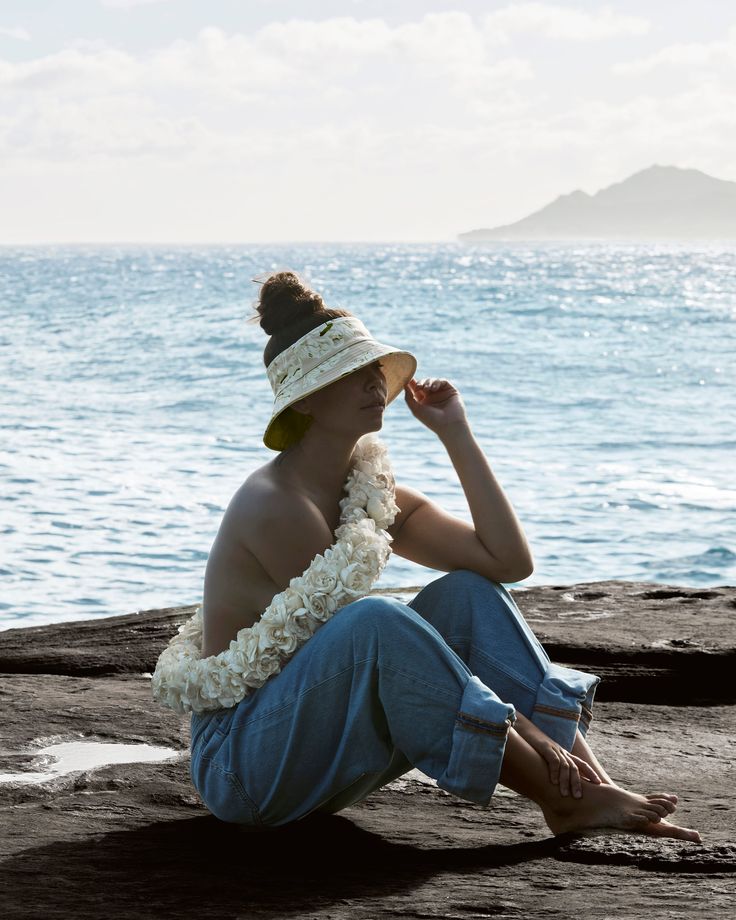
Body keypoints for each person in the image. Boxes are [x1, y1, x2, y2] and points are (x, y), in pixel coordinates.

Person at [188, 270, 700, 842]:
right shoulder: (275, 505)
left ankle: (587, 793)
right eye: (350, 375)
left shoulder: (368, 494)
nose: (373, 385)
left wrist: (455, 433)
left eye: (373, 370)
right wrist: (528, 732)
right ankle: (563, 793)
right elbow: (362, 644)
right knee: (376, 620)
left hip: (317, 751)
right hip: (244, 766)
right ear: (304, 401)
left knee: (468, 594)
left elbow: (506, 563)